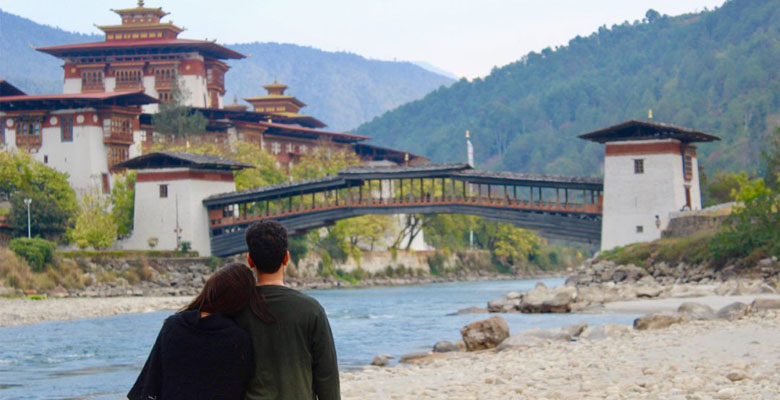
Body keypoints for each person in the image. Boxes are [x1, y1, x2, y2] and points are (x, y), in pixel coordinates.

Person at [235, 220, 340, 400]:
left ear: (250, 260)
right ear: (286, 258)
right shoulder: (311, 310)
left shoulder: (236, 309)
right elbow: (327, 377)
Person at [128, 263, 259, 400]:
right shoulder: (238, 339)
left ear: (210, 289)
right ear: (241, 301)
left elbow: (146, 387)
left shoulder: (173, 326)